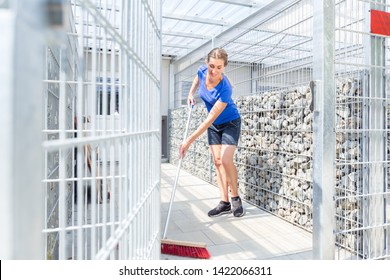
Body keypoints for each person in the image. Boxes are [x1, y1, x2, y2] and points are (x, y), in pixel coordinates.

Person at [179, 47, 244, 217]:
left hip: (230, 122)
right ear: (207, 63)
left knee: (225, 159)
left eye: (219, 67)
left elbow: (209, 119)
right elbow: (196, 80)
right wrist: (190, 94)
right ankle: (224, 203)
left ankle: (235, 198)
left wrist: (188, 141)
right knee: (217, 161)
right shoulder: (202, 71)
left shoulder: (225, 88)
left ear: (224, 67)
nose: (214, 70)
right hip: (215, 125)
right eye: (211, 66)